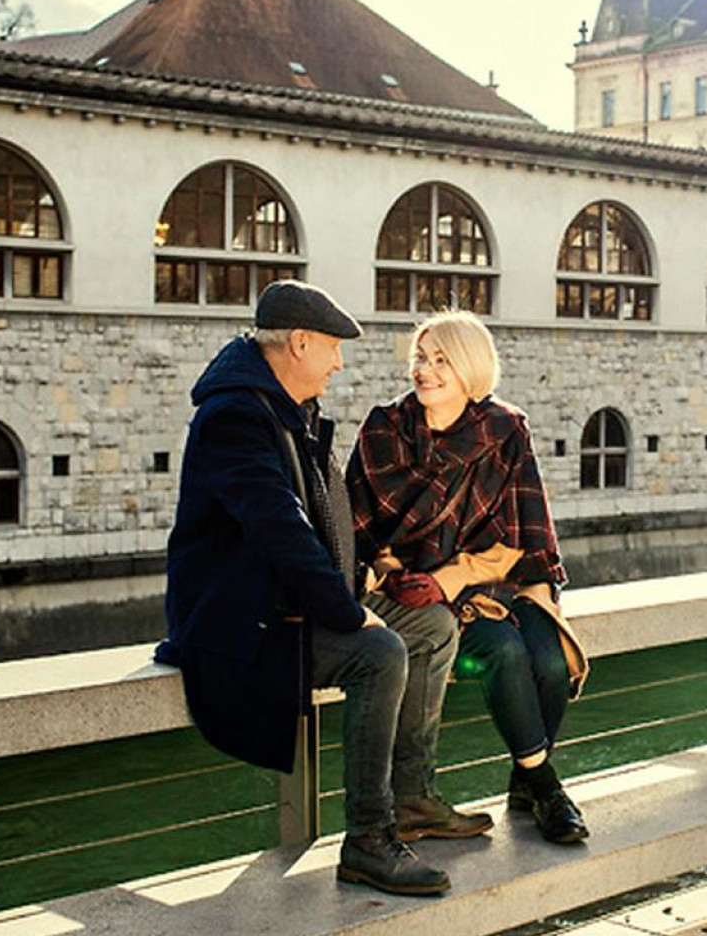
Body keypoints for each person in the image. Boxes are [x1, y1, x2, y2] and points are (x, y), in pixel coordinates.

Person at [155, 281, 480, 899]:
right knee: (380, 653)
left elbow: (324, 519)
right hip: (244, 621)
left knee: (432, 626)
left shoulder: (284, 408)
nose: (338, 363)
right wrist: (346, 612)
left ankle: (413, 796)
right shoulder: (236, 417)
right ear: (299, 342)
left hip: (291, 604)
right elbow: (278, 526)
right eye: (332, 348)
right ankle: (368, 838)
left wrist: (362, 581)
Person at [348, 311, 593, 845]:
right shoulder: (382, 430)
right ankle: (546, 786)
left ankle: (526, 780)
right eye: (421, 357)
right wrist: (398, 575)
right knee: (504, 652)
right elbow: (360, 533)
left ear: (470, 369)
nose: (425, 370)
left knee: (550, 659)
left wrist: (456, 576)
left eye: (441, 361)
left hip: (496, 579)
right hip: (416, 599)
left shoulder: (505, 429)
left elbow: (521, 533)